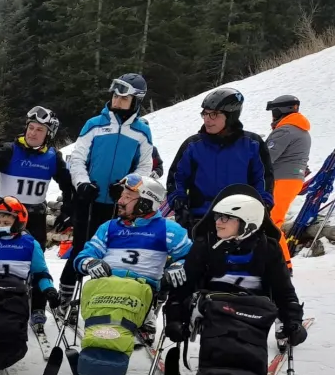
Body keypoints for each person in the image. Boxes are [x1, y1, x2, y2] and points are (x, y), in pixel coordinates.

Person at [163, 185, 305, 375]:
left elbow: (283, 291)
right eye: (218, 216)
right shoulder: (206, 245)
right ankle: (219, 373)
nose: (218, 221)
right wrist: (174, 318)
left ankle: (241, 374)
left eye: (227, 218)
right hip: (213, 307)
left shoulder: (268, 248)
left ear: (247, 222)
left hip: (252, 309)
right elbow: (184, 285)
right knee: (218, 314)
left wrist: (293, 321)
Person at [0, 105, 73, 328]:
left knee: (36, 260)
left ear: (48, 134)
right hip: (5, 214)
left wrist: (68, 209)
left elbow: (67, 184)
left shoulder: (52, 157)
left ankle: (37, 306)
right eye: (31, 127)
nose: (33, 132)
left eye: (39, 130)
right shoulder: (10, 150)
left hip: (34, 215)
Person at [60, 74, 154, 307]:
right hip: (88, 197)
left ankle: (100, 298)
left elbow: (145, 166)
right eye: (115, 95)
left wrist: (125, 185)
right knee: (81, 248)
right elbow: (78, 157)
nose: (117, 100)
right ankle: (65, 298)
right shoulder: (94, 124)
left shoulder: (141, 131)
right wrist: (82, 183)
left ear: (136, 100)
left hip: (118, 202)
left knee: (110, 252)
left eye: (124, 97)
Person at [73, 174, 191, 355]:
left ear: (146, 202)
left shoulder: (169, 230)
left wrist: (179, 266)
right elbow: (84, 255)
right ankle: (101, 336)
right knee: (97, 287)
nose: (120, 200)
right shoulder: (109, 227)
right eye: (121, 195)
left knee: (132, 291)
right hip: (105, 285)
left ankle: (134, 324)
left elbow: (191, 258)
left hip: (140, 289)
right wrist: (90, 262)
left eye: (127, 197)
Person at [0, 197, 62, 370]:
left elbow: (40, 272)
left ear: (18, 221)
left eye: (7, 220)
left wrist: (48, 289)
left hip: (16, 291)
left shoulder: (30, 244)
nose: (1, 223)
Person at [168, 87, 274, 229]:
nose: (207, 119)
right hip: (199, 219)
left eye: (214, 114)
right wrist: (179, 205)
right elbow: (176, 178)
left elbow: (263, 179)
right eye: (205, 114)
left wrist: (263, 206)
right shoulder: (192, 146)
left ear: (231, 117)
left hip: (239, 220)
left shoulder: (252, 144)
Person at [264, 94, 311, 264]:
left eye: (274, 112)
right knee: (273, 220)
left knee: (270, 222)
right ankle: (279, 262)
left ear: (281, 111)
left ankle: (283, 264)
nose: (272, 116)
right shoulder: (301, 131)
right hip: (292, 180)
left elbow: (266, 158)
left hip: (281, 180)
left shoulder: (285, 130)